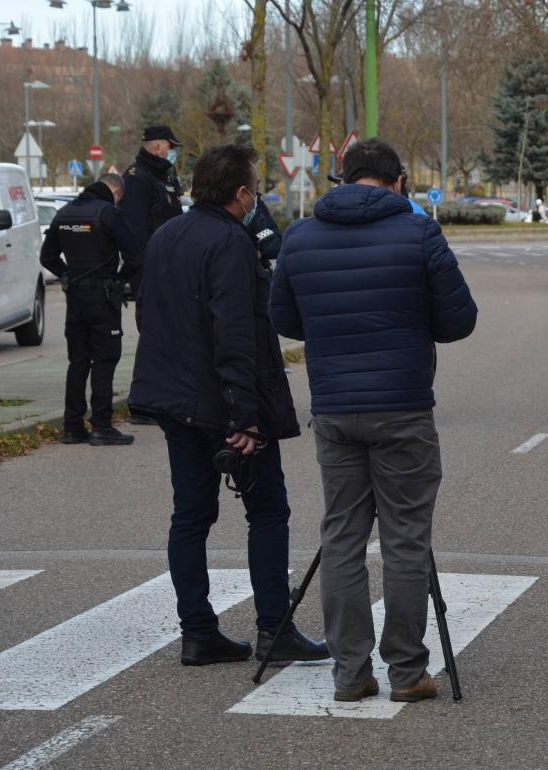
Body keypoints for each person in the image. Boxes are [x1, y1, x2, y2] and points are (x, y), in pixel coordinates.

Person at [269, 139, 477, 703]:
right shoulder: (419, 233)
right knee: (406, 540)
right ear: (399, 181)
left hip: (335, 407)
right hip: (404, 405)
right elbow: (459, 320)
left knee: (341, 536)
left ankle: (350, 672)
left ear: (342, 178)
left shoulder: (300, 236)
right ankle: (407, 672)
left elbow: (284, 317)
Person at [129, 145, 328, 667]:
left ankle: (197, 632)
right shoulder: (232, 243)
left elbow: (148, 315)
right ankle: (273, 628)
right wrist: (246, 416)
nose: (256, 196)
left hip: (175, 400)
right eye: (255, 188)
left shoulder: (166, 235)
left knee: (190, 516)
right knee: (267, 510)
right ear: (241, 195)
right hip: (224, 404)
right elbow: (237, 334)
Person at [39, 173, 142, 446]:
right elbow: (135, 255)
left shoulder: (64, 213)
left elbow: (46, 256)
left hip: (75, 299)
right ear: (116, 191)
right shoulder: (108, 213)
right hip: (103, 298)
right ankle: (101, 425)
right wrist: (120, 280)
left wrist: (66, 275)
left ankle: (72, 426)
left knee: (79, 360)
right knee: (105, 359)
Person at [123, 125, 187, 425]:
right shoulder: (138, 178)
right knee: (152, 332)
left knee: (167, 332)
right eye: (170, 146)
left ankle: (161, 397)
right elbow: (134, 229)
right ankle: (142, 404)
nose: (172, 151)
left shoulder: (164, 177)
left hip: (169, 266)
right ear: (158, 146)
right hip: (151, 268)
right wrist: (145, 267)